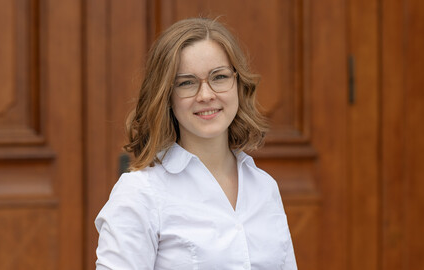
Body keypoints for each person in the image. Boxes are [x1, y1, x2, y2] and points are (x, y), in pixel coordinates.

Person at [95, 17, 298, 270]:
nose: (206, 95)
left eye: (219, 77)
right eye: (187, 83)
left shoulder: (264, 188)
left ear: (238, 84)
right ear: (167, 96)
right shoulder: (141, 194)